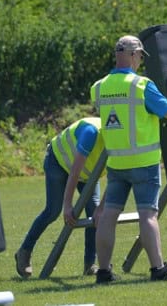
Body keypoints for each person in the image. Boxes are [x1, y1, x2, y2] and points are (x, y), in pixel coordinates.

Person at [90, 35, 167, 284]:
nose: (142, 60)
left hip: (116, 163)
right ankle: (158, 269)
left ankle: (103, 271)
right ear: (134, 55)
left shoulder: (98, 87)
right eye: (141, 56)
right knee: (148, 215)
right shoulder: (142, 85)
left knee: (109, 215)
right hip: (144, 162)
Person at [15, 116, 105, 278]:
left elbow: (117, 176)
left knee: (95, 213)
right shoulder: (91, 132)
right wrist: (68, 204)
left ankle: (90, 264)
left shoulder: (120, 139)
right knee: (53, 211)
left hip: (88, 174)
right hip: (58, 161)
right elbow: (75, 171)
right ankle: (24, 251)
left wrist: (102, 208)